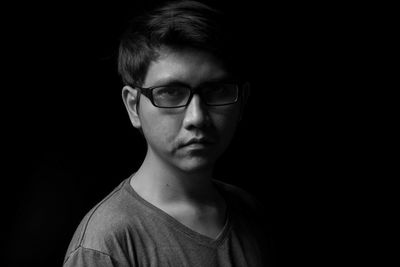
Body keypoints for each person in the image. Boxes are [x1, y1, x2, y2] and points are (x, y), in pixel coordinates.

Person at [63, 1, 274, 266]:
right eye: (171, 93)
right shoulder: (107, 243)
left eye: (217, 90)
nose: (197, 117)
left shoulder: (251, 212)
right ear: (133, 106)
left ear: (242, 101)